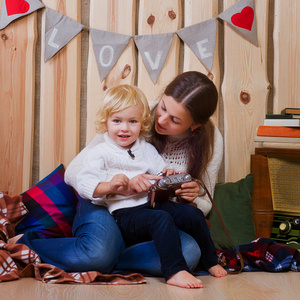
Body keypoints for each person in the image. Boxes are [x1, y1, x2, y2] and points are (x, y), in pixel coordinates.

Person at [17, 71, 224, 281]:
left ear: (194, 125)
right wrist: (116, 186)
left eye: (174, 119)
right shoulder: (131, 110)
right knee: (100, 252)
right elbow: (76, 174)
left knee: (189, 252)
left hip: (147, 209)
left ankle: (111, 255)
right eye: (162, 107)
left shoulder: (207, 141)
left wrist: (186, 190)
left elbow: (180, 186)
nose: (160, 120)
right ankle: (33, 245)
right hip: (107, 203)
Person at [76, 84, 225, 288]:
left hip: (151, 205)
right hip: (125, 213)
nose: (124, 128)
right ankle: (174, 271)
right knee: (161, 219)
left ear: (142, 124)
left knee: (193, 215)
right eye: (117, 121)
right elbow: (85, 184)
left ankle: (210, 261)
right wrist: (111, 186)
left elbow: (160, 172)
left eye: (132, 122)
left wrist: (169, 175)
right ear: (105, 123)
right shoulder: (100, 152)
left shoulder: (146, 149)